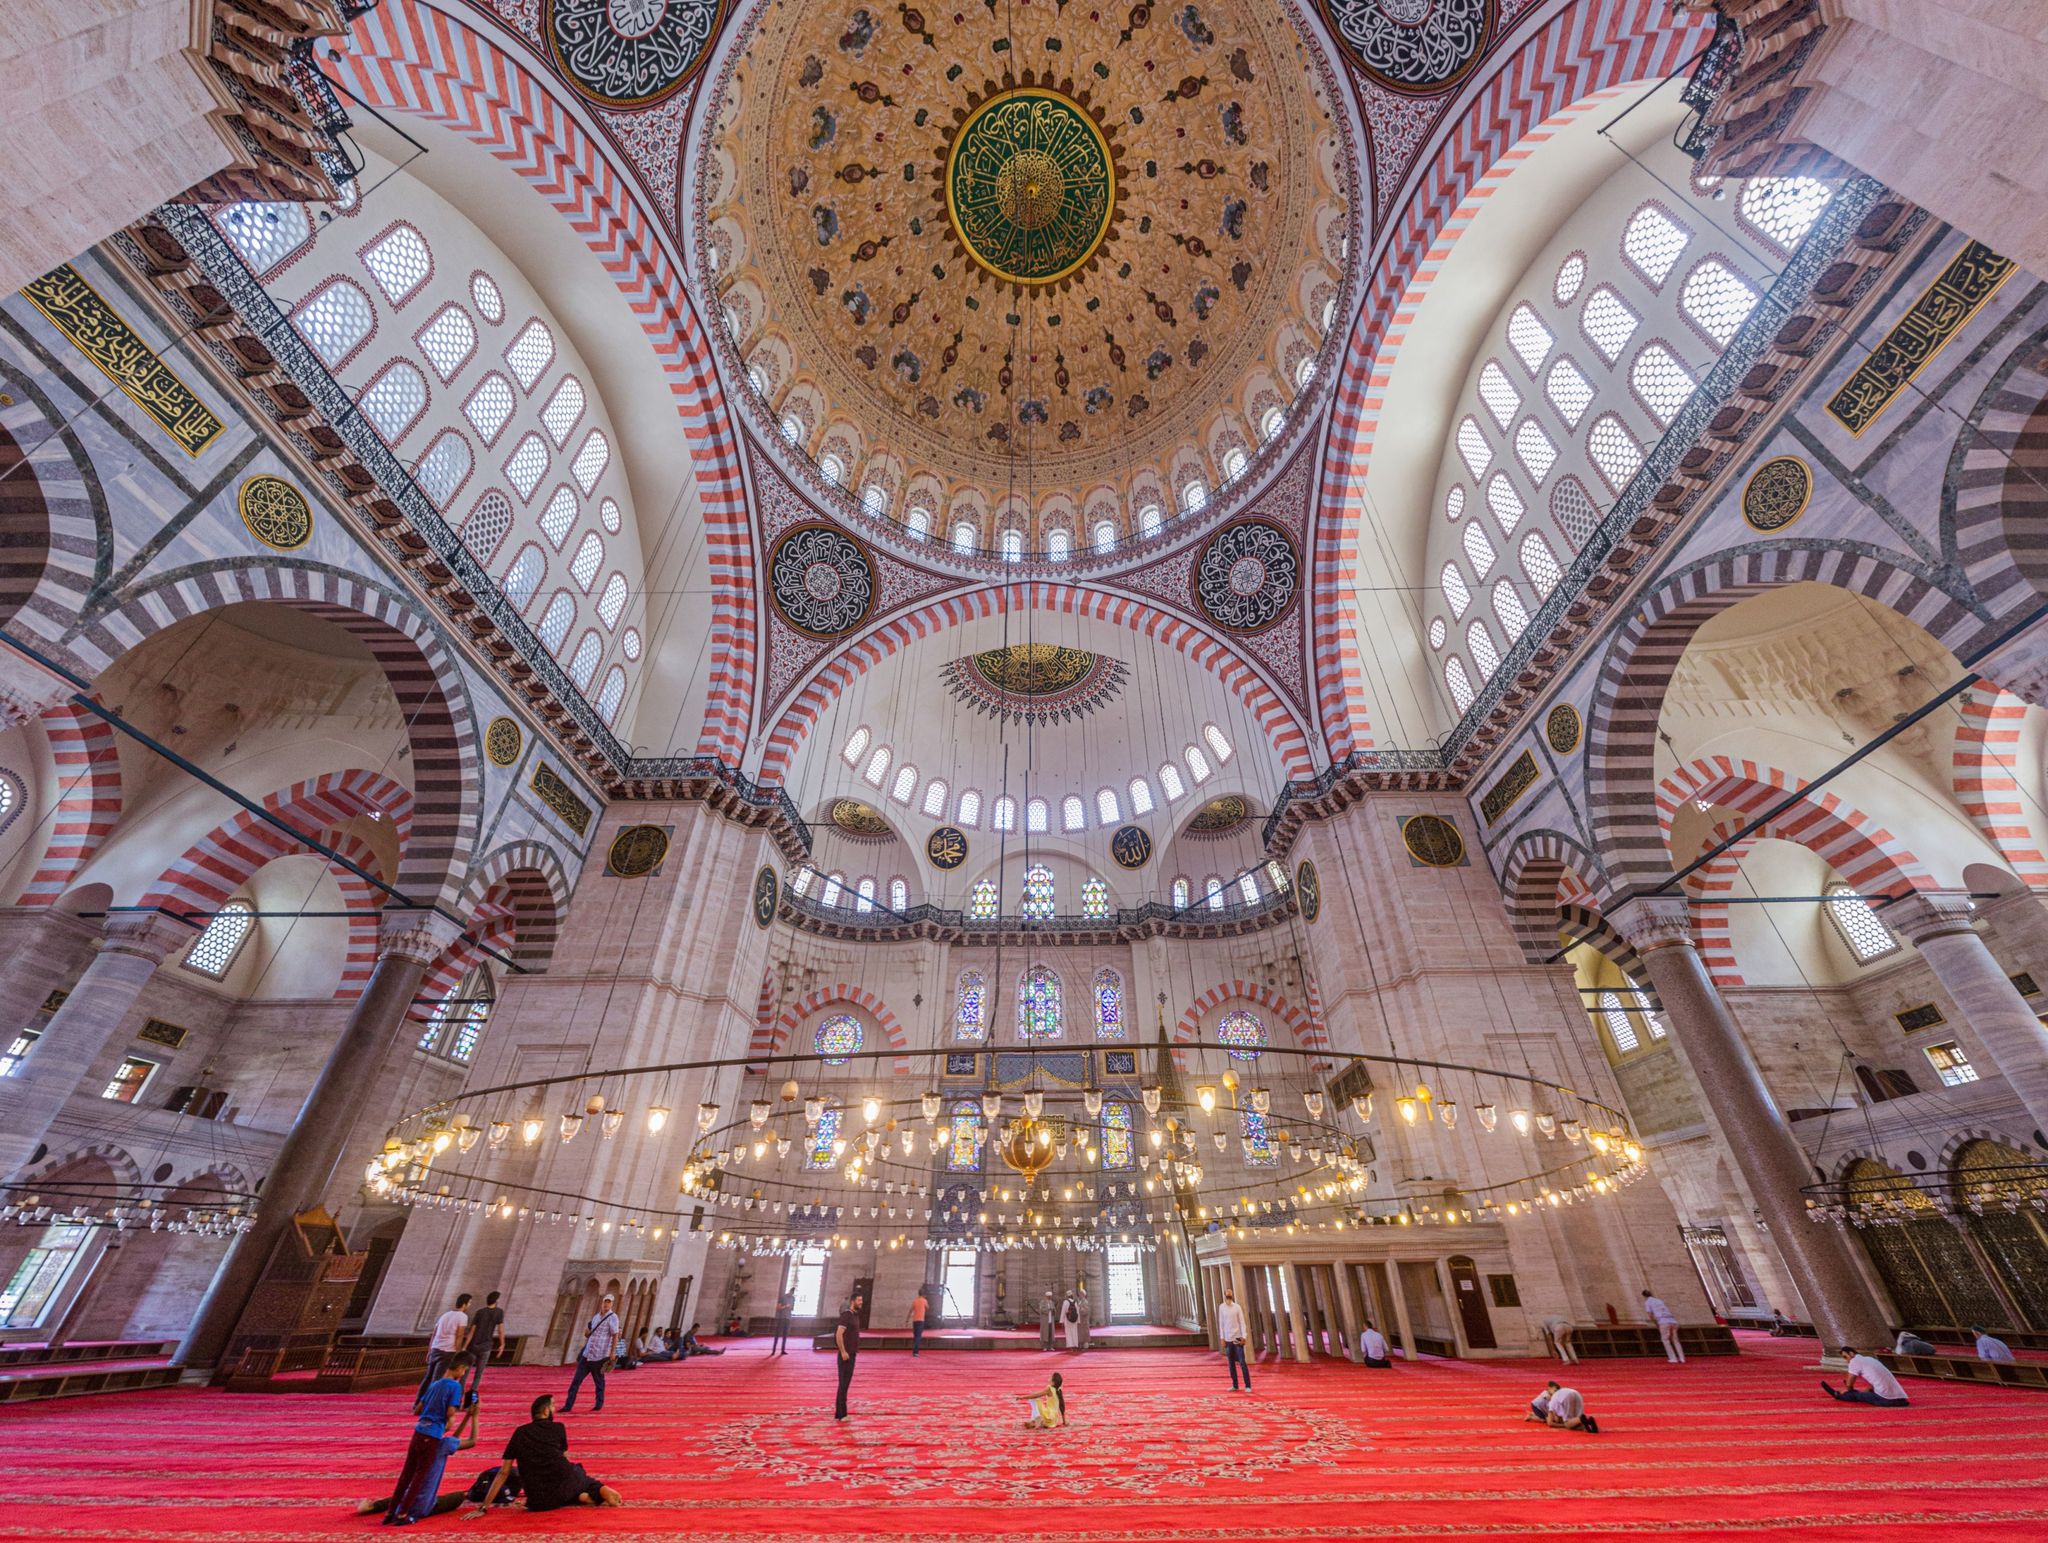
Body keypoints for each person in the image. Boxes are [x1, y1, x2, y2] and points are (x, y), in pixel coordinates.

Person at [468, 1394, 622, 1515]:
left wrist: (483, 1507)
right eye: (553, 1406)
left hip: (538, 1501)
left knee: (569, 1477)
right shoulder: (558, 1428)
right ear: (545, 1411)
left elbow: (503, 1472)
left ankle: (580, 1496)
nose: (554, 1409)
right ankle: (594, 1491)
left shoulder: (520, 1432)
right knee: (578, 1471)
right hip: (563, 1484)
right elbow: (565, 1460)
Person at [356, 1397, 479, 1523]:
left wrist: (467, 1418)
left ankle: (374, 1506)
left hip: (405, 1502)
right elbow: (472, 1441)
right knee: (457, 1497)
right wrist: (475, 1417)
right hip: (424, 1506)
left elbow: (453, 1439)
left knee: (402, 1494)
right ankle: (466, 1495)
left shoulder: (423, 1440)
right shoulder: (444, 1445)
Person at [387, 1351, 472, 1525]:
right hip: (431, 1435)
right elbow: (450, 1412)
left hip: (418, 1431)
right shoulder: (455, 1387)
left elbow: (417, 1409)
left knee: (406, 1474)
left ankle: (390, 1513)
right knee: (420, 1476)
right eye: (464, 1371)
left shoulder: (434, 1384)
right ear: (461, 1368)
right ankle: (403, 1514)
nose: (463, 1374)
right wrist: (451, 1418)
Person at [560, 1293, 621, 1414]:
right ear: (602, 1302)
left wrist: (613, 1352)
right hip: (588, 1354)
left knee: (599, 1381)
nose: (606, 1304)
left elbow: (615, 1335)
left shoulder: (613, 1317)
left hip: (600, 1355)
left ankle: (599, 1404)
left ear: (612, 1304)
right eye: (605, 1301)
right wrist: (586, 1333)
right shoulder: (596, 1317)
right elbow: (589, 1334)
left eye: (609, 1302)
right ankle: (568, 1405)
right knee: (576, 1381)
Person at [416, 1292, 473, 1409]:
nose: (470, 1305)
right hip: (448, 1350)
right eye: (470, 1303)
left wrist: (430, 1350)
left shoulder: (445, 1315)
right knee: (437, 1380)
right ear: (465, 1303)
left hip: (436, 1348)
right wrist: (458, 1353)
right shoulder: (462, 1317)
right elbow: (459, 1335)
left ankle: (418, 1403)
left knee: (428, 1378)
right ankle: (427, 1405)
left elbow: (434, 1333)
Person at [1823, 1345, 1910, 1407]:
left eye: (1846, 1357)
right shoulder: (1870, 1359)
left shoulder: (1855, 1361)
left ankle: (1837, 1395)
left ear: (1851, 1353)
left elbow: (1849, 1384)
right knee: (1866, 1393)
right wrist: (1871, 1388)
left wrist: (1847, 1390)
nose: (1847, 1361)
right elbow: (1879, 1376)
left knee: (1857, 1395)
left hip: (1886, 1400)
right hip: (1901, 1399)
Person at [465, 1291, 505, 1396]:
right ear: (496, 1301)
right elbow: (501, 1330)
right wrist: (502, 1344)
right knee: (478, 1375)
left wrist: (465, 1346)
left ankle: (457, 1398)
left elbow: (472, 1331)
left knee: (465, 1372)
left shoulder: (480, 1312)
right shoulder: (499, 1312)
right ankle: (470, 1402)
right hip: (486, 1346)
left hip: (473, 1345)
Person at [833, 1290, 863, 1420]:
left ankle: (838, 1413)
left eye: (861, 1301)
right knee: (843, 1383)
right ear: (853, 1301)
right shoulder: (846, 1315)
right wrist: (843, 1351)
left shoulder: (855, 1315)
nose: (861, 1303)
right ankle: (842, 1413)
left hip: (852, 1353)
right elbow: (839, 1334)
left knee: (845, 1384)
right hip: (846, 1355)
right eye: (859, 1300)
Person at [1527, 1380, 1597, 1432]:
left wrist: (1564, 1426)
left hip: (1566, 1397)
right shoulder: (1559, 1393)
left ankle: (1581, 1418)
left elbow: (1550, 1423)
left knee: (1568, 1424)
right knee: (1574, 1420)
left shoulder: (1552, 1401)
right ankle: (1587, 1422)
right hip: (1576, 1393)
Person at [1218, 1287, 1251, 1391]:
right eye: (1227, 1292)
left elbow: (1242, 1322)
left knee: (1242, 1362)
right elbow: (1221, 1324)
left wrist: (1244, 1336)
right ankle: (1235, 1385)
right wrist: (1222, 1338)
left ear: (1232, 1294)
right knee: (1231, 1363)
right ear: (1224, 1294)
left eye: (1230, 1292)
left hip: (1237, 1337)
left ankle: (1247, 1385)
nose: (1229, 1294)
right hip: (1227, 1338)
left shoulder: (1237, 1307)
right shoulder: (1221, 1307)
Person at [1641, 1289, 1684, 1364]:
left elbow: (1650, 1315)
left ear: (1644, 1296)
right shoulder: (1659, 1300)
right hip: (1672, 1320)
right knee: (1675, 1340)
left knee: (1665, 1340)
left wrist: (1656, 1323)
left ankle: (1673, 1358)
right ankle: (1682, 1358)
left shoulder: (1648, 1302)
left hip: (1663, 1321)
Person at [772, 1287, 795, 1355]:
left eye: (793, 1293)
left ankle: (783, 1350)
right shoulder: (783, 1297)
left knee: (785, 1335)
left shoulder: (793, 1298)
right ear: (789, 1291)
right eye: (791, 1292)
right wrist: (785, 1306)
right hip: (781, 1318)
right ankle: (773, 1350)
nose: (792, 1294)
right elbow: (778, 1308)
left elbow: (792, 1308)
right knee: (777, 1334)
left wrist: (790, 1307)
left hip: (788, 1318)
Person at [911, 1285, 929, 1356]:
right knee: (918, 1336)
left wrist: (907, 1319)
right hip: (921, 1320)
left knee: (915, 1335)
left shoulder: (915, 1301)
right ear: (923, 1294)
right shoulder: (924, 1301)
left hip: (915, 1320)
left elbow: (911, 1310)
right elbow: (928, 1308)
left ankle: (914, 1350)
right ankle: (915, 1352)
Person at [1075, 1285, 1091, 1351]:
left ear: (1083, 1294)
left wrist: (1080, 1310)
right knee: (1081, 1333)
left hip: (1084, 1320)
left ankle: (1086, 1346)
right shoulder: (1080, 1301)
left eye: (1080, 1294)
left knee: (1085, 1333)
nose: (1079, 1295)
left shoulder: (1085, 1301)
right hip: (1080, 1320)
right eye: (1079, 1294)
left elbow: (1086, 1311)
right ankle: (1081, 1345)